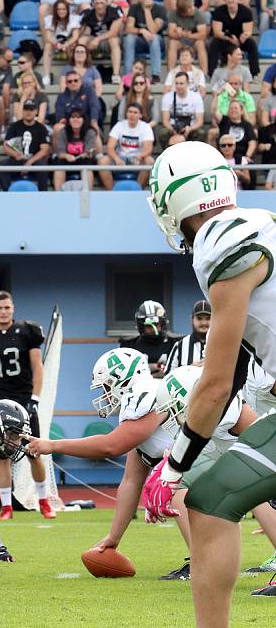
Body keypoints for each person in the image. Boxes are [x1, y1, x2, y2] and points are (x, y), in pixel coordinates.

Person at [144, 140, 276, 625]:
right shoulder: (260, 222)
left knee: (211, 502)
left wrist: (173, 468)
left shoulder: (221, 243)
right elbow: (237, 369)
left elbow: (217, 384)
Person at [25, 348, 187, 572]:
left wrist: (53, 445)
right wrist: (114, 537)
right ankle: (202, 561)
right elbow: (130, 482)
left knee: (178, 487)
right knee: (175, 480)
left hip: (217, 453)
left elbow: (111, 446)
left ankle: (201, 563)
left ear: (125, 379)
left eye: (108, 385)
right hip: (206, 461)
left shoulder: (152, 395)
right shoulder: (138, 414)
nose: (106, 393)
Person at [0, 290, 56, 520]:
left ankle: (43, 501)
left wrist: (35, 398)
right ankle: (7, 506)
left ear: (13, 308)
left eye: (7, 307)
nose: (3, 311)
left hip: (25, 398)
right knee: (2, 454)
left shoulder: (28, 331)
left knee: (34, 452)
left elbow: (38, 366)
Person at [98, 102, 154, 191]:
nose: (132, 115)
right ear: (126, 113)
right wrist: (116, 158)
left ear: (140, 115)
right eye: (130, 112)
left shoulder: (145, 127)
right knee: (102, 161)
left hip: (138, 159)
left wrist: (140, 156)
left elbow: (148, 149)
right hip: (120, 158)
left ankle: (138, 191)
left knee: (150, 161)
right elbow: (110, 147)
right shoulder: (119, 125)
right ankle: (112, 192)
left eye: (135, 112)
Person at [208, 0, 259, 78]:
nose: (230, 0)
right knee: (214, 43)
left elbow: (248, 31)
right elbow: (217, 32)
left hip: (240, 39)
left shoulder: (246, 11)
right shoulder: (219, 11)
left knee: (251, 43)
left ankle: (254, 74)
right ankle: (211, 73)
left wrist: (244, 36)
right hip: (225, 39)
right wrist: (229, 38)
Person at [1, 100, 50, 191]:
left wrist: (30, 162)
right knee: (1, 166)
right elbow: (6, 145)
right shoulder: (14, 126)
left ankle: (43, 196)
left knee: (43, 168)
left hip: (34, 161)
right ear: (22, 111)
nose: (28, 112)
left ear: (36, 112)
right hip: (17, 159)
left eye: (31, 110)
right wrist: (15, 154)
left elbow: (45, 149)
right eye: (26, 109)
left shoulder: (41, 128)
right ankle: (7, 193)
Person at [120, 300, 176, 377]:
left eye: (156, 324)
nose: (153, 328)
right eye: (149, 325)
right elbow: (124, 373)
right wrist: (156, 368)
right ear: (141, 326)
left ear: (162, 323)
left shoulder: (174, 343)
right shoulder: (129, 345)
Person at [124, 0, 166, 84]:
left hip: (157, 42)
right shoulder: (134, 8)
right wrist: (141, 30)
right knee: (129, 38)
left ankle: (156, 75)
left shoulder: (160, 9)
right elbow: (128, 28)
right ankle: (129, 75)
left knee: (154, 38)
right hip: (139, 40)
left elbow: (153, 30)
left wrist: (147, 10)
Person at [79, 0, 123, 84]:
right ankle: (82, 72)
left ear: (106, 2)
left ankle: (115, 74)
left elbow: (113, 32)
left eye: (102, 3)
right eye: (97, 3)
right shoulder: (88, 13)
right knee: (81, 41)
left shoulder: (114, 11)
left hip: (109, 41)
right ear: (93, 4)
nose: (99, 6)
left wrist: (97, 39)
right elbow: (80, 32)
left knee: (113, 40)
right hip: (94, 41)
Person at [53, 108, 101, 190]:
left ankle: (87, 197)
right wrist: (66, 156)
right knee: (59, 170)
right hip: (66, 160)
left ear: (83, 120)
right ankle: (58, 196)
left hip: (84, 160)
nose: (75, 119)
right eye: (72, 117)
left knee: (87, 171)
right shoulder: (63, 132)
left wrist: (87, 153)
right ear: (69, 120)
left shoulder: (90, 132)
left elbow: (89, 152)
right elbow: (60, 153)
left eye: (78, 117)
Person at [159, 71, 205, 148]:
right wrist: (173, 130)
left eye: (181, 83)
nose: (178, 86)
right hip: (173, 126)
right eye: (176, 83)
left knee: (201, 133)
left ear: (187, 84)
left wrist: (190, 129)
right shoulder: (167, 97)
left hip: (190, 127)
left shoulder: (196, 97)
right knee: (163, 133)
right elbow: (165, 120)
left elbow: (199, 121)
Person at [42, 0, 80, 86]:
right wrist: (57, 44)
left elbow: (75, 36)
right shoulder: (50, 19)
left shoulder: (73, 18)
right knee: (47, 45)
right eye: (59, 9)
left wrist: (66, 44)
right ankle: (47, 75)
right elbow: (49, 36)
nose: (61, 11)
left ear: (67, 10)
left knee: (74, 46)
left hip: (69, 41)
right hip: (56, 43)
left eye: (63, 9)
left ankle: (73, 73)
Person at [165, 301, 211, 374]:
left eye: (208, 318)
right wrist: (189, 370)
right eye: (199, 318)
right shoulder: (180, 345)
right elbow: (167, 377)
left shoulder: (221, 345)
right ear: (191, 320)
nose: (204, 323)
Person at [167, 0, 209, 75]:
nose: (192, 8)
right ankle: (171, 74)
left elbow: (203, 34)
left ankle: (204, 74)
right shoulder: (173, 14)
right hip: (180, 41)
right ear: (182, 11)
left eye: (192, 6)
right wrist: (178, 34)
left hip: (194, 40)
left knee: (200, 44)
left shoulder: (198, 13)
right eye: (189, 8)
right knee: (172, 43)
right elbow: (171, 33)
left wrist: (188, 35)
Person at [54, 70, 101, 134]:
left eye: (76, 80)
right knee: (57, 128)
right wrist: (70, 123)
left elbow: (94, 107)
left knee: (94, 128)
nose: (73, 83)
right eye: (70, 81)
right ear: (66, 84)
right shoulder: (61, 97)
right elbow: (59, 113)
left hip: (86, 123)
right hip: (69, 125)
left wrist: (93, 121)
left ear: (81, 81)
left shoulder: (89, 92)